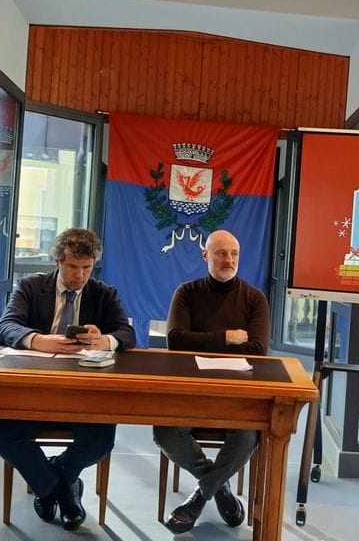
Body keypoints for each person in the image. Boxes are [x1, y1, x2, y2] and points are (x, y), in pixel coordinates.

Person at [0, 227, 135, 532]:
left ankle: (53, 479)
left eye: (86, 267)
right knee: (2, 434)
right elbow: (5, 326)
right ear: (58, 261)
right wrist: (38, 340)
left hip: (86, 391)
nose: (79, 275)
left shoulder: (104, 293)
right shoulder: (30, 286)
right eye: (72, 267)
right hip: (34, 389)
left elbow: (126, 334)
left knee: (101, 439)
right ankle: (62, 490)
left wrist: (103, 340)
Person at [154, 229, 269, 534]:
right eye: (220, 253)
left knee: (246, 437)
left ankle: (197, 498)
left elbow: (258, 349)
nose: (228, 260)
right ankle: (220, 489)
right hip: (190, 390)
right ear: (206, 255)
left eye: (233, 254)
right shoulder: (187, 292)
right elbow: (176, 342)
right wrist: (228, 338)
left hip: (237, 394)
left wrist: (202, 342)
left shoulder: (254, 299)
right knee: (165, 432)